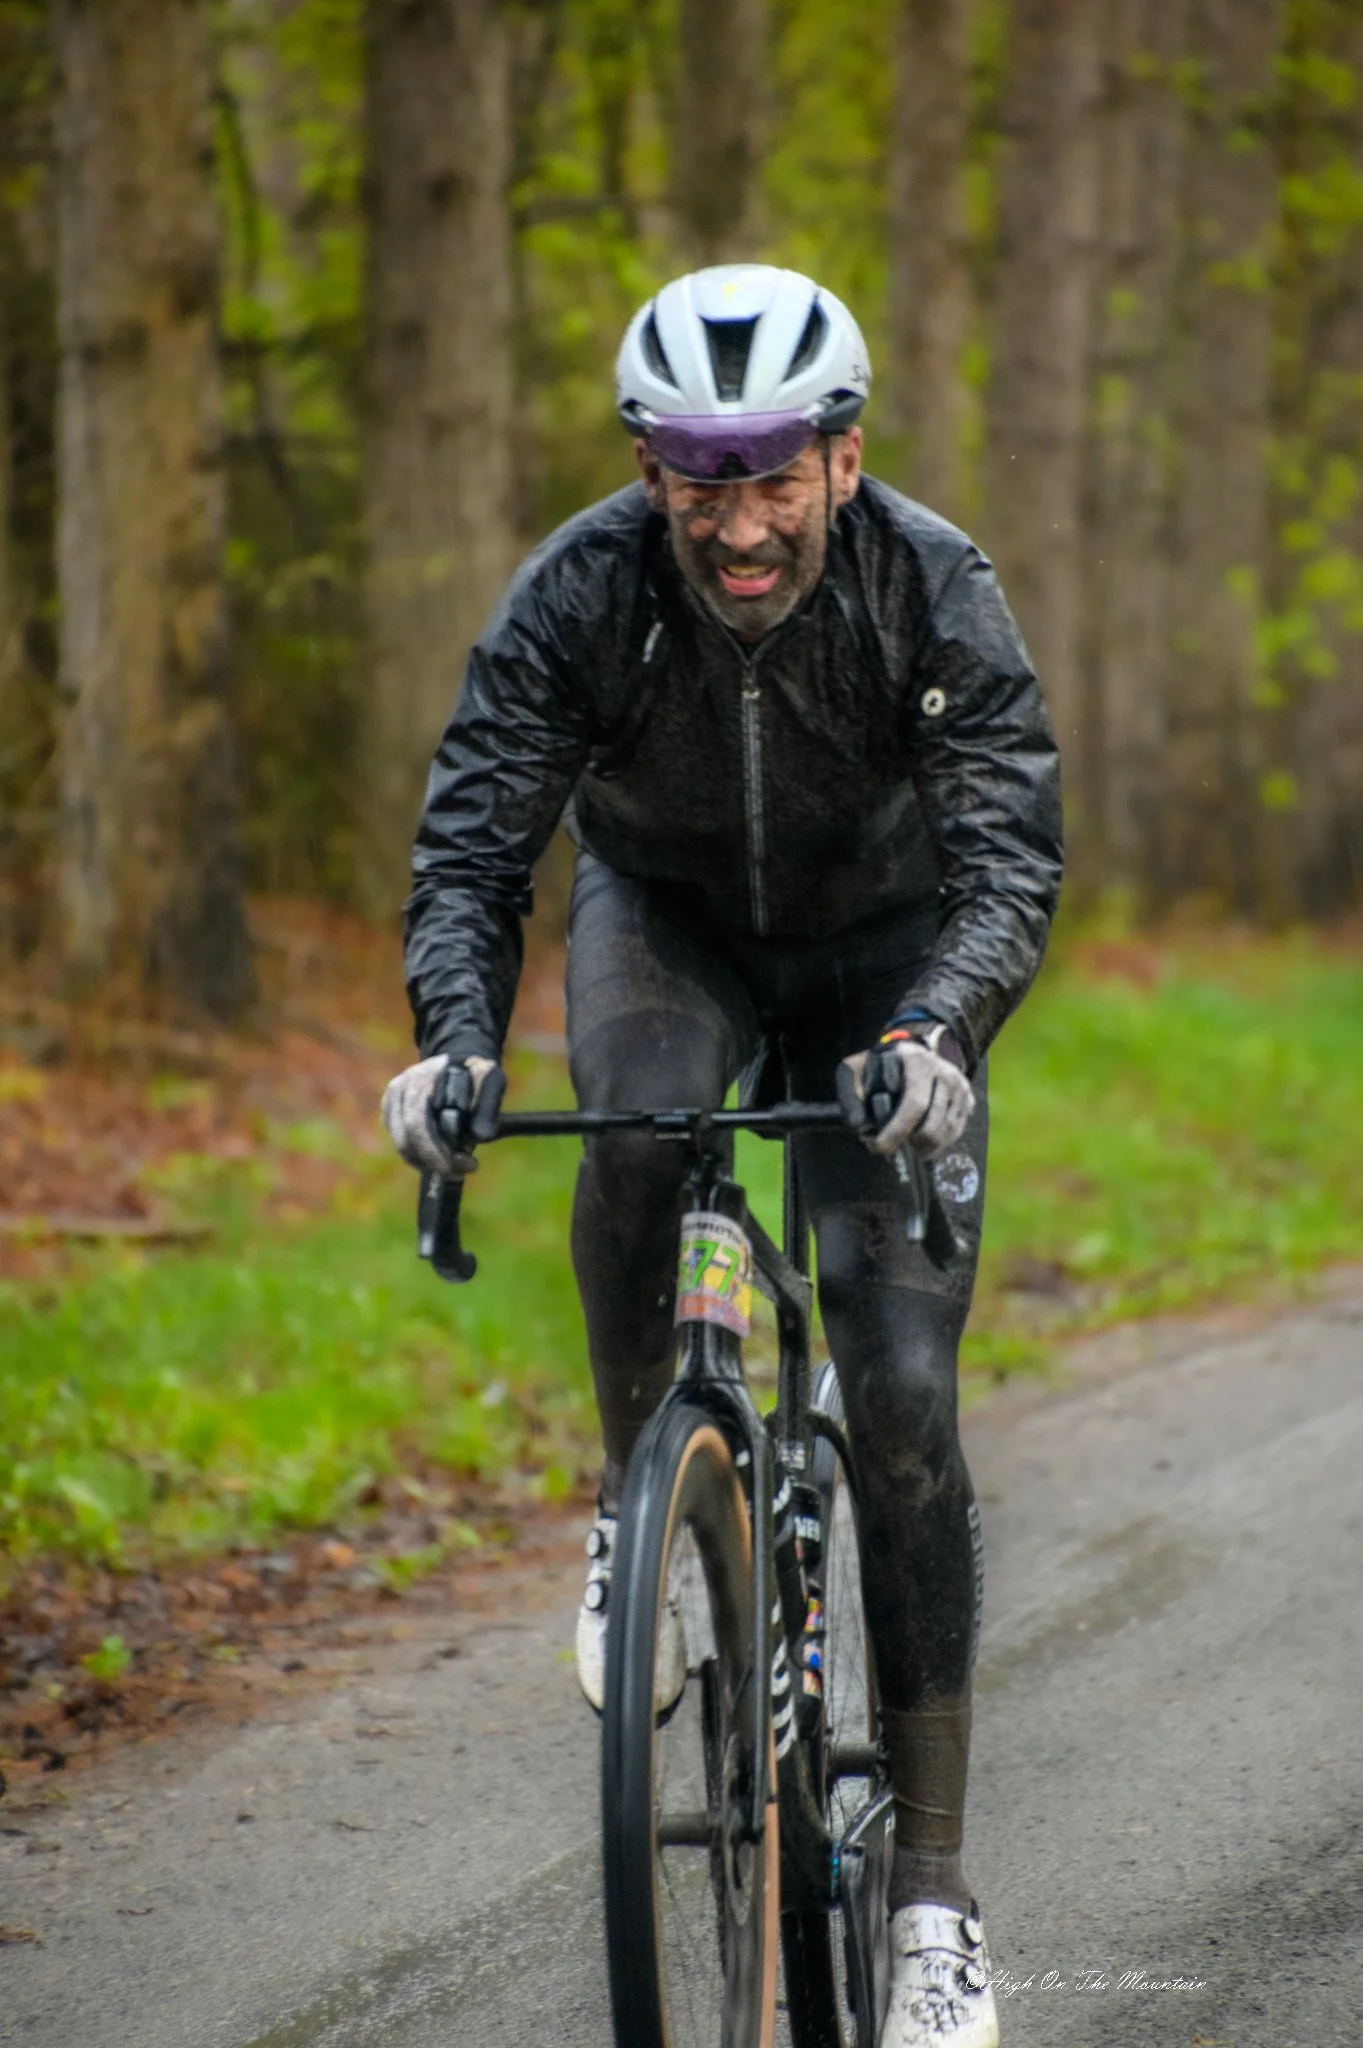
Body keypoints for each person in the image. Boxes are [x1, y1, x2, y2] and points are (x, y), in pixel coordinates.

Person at [381, 264, 1062, 2048]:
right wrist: (454, 1036)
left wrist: (938, 1031)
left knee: (900, 1391)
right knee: (636, 1129)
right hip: (664, 921)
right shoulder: (579, 595)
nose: (738, 522)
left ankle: (930, 1903)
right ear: (649, 469)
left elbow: (1007, 854)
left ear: (843, 460)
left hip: (886, 959)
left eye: (773, 475)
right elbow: (470, 852)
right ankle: (644, 1503)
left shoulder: (935, 585)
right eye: (699, 477)